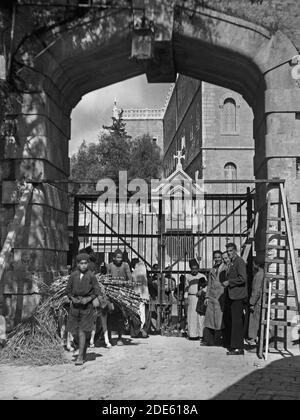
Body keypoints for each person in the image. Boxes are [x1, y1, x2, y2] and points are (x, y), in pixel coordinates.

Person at [65, 253, 103, 365]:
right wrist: (72, 298)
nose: (83, 266)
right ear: (77, 264)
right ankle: (83, 346)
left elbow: (97, 291)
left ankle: (80, 357)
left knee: (82, 330)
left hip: (87, 307)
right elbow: (68, 290)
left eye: (85, 263)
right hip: (75, 307)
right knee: (74, 331)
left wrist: (89, 299)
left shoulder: (91, 276)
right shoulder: (73, 275)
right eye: (81, 263)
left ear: (88, 264)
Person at [225, 243, 248, 356]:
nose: (229, 253)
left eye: (231, 251)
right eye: (228, 251)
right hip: (232, 295)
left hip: (238, 296)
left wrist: (230, 282)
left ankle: (238, 347)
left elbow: (243, 278)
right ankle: (234, 345)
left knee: (237, 322)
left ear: (235, 250)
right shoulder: (232, 262)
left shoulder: (240, 262)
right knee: (233, 321)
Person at [107, 249, 132, 345]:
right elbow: (107, 277)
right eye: (117, 257)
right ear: (113, 258)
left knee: (121, 316)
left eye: (120, 257)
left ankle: (120, 337)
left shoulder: (125, 265)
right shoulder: (110, 265)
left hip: (121, 293)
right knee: (108, 315)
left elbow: (129, 278)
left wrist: (125, 286)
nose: (119, 259)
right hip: (111, 293)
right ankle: (108, 336)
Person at [203, 250, 226, 346]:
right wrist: (207, 297)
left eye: (219, 257)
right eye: (215, 257)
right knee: (210, 320)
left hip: (221, 297)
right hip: (212, 298)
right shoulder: (212, 270)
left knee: (221, 320)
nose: (217, 259)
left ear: (222, 258)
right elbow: (209, 284)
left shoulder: (226, 268)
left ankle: (222, 340)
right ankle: (210, 341)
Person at [184, 259, 207, 341]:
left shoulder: (202, 276)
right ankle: (193, 335)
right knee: (192, 316)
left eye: (196, 268)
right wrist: (186, 298)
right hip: (191, 298)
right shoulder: (188, 277)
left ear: (198, 268)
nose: (194, 270)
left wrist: (202, 291)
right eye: (192, 268)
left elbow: (206, 287)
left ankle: (201, 335)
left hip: (200, 298)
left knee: (200, 316)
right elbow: (186, 288)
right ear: (190, 268)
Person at [247, 259, 264, 346]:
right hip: (260, 301)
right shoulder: (263, 274)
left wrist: (252, 302)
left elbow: (256, 290)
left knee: (254, 319)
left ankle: (253, 338)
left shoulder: (259, 275)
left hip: (257, 301)